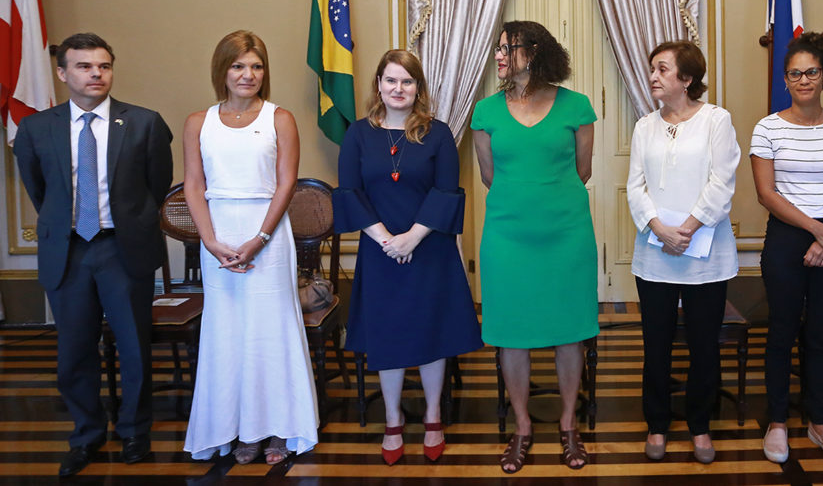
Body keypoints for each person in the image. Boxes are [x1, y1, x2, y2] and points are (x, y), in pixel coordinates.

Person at [13, 33, 174, 476]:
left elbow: (157, 184)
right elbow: (40, 190)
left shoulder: (144, 123)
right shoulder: (36, 129)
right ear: (63, 73)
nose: (96, 74)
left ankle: (135, 430)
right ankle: (86, 434)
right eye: (84, 67)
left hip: (122, 249)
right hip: (68, 252)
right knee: (74, 350)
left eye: (103, 66)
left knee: (134, 347)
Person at [334, 49, 482, 465]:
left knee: (431, 334)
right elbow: (349, 192)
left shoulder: (437, 134)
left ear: (418, 88)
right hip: (379, 250)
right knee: (390, 334)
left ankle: (434, 415)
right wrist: (386, 240)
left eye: (407, 81)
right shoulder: (358, 134)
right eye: (391, 80)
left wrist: (411, 239)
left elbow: (447, 192)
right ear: (379, 85)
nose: (398, 89)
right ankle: (393, 419)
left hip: (429, 248)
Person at [182, 31, 318, 464]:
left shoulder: (280, 118)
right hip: (218, 236)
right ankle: (238, 428)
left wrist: (259, 239)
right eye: (239, 66)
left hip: (267, 237)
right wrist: (209, 240)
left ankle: (277, 427)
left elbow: (286, 183)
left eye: (257, 66)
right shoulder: (198, 122)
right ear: (222, 70)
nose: (248, 75)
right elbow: (194, 184)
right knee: (228, 334)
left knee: (269, 333)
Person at [471, 20, 598, 473]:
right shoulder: (485, 111)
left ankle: (568, 425)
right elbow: (490, 176)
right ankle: (522, 427)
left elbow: (582, 169)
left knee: (569, 330)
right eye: (499, 48)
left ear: (536, 51)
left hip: (566, 236)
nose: (501, 55)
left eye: (510, 47)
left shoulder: (578, 107)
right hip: (507, 238)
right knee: (511, 333)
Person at [750, 31, 823, 468]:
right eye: (794, 73)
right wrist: (816, 230)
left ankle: (820, 422)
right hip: (787, 238)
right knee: (781, 331)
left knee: (820, 333)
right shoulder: (768, 127)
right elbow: (767, 193)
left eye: (811, 72)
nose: (803, 80)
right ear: (786, 79)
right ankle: (777, 420)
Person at [627, 41, 740, 464]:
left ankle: (700, 425)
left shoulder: (716, 120)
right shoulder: (645, 126)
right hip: (655, 253)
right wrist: (659, 228)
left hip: (706, 254)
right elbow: (635, 185)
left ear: (687, 78)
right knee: (655, 344)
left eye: (662, 69)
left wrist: (688, 228)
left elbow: (722, 181)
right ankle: (657, 424)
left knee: (703, 346)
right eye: (652, 69)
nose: (653, 76)